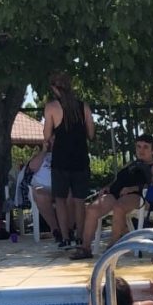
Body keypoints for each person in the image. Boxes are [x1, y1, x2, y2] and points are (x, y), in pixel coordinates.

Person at [68, 134, 153, 261]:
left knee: (119, 207)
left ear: (152, 151)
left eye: (146, 147)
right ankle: (85, 248)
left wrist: (133, 188)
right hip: (118, 193)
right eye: (139, 146)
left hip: (140, 196)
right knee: (92, 208)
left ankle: (113, 246)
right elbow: (118, 181)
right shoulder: (131, 164)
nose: (141, 150)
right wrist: (108, 187)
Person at [43, 72, 95, 247]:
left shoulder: (51, 107)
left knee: (60, 200)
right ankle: (80, 237)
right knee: (80, 201)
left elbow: (47, 135)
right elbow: (91, 134)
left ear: (54, 87)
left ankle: (65, 237)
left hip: (61, 160)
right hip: (80, 158)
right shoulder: (83, 107)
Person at [16, 138, 62, 241]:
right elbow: (32, 167)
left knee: (69, 194)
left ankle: (68, 230)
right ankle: (55, 229)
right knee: (40, 193)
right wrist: (44, 151)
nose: (54, 142)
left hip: (61, 188)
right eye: (52, 140)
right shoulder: (41, 156)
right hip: (42, 188)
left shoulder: (65, 155)